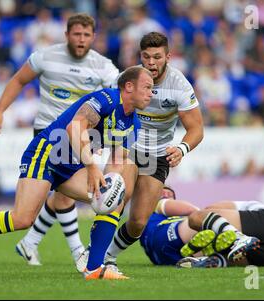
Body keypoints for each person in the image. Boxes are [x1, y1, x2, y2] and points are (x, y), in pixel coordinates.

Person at [0, 66, 153, 281]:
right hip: (46, 153)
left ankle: (94, 268)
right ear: (129, 86)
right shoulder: (107, 99)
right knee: (22, 219)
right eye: (147, 87)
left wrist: (112, 184)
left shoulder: (134, 122)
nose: (151, 94)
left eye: (152, 89)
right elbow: (74, 127)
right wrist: (93, 167)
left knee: (112, 199)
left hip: (72, 164)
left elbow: (119, 159)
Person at [0, 13, 119, 267]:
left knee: (62, 195)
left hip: (81, 136)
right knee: (63, 196)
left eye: (86, 35)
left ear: (94, 37)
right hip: (49, 134)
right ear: (67, 35)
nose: (81, 40)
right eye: (76, 34)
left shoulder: (103, 66)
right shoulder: (45, 57)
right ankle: (77, 252)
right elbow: (18, 80)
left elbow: (119, 95)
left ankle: (31, 243)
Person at [77, 32, 204, 276]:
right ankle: (97, 261)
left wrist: (181, 148)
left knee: (137, 223)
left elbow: (196, 128)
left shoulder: (179, 85)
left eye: (157, 57)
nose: (151, 63)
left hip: (157, 156)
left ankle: (108, 255)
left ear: (168, 56)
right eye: (146, 57)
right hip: (128, 147)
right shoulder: (130, 79)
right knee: (113, 199)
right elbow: (110, 107)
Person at [139, 186, 264, 268]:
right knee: (201, 220)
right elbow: (198, 210)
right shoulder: (158, 206)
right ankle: (220, 257)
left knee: (201, 221)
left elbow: (207, 211)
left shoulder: (146, 219)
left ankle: (226, 249)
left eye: (169, 192)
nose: (166, 195)